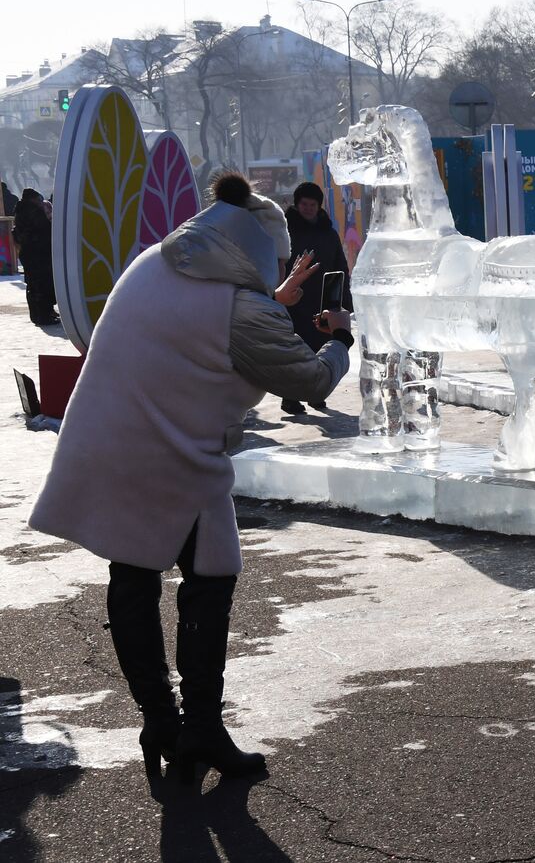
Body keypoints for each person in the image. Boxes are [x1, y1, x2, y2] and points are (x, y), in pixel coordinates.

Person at [29, 171, 355, 784]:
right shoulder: (242, 308)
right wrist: (340, 340)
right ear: (259, 250)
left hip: (108, 440)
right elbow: (307, 380)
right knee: (209, 576)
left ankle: (161, 720)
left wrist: (272, 301)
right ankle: (201, 726)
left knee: (132, 575)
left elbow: (195, 328)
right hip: (174, 453)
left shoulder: (153, 261)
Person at [281, 181, 354, 416]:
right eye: (304, 204)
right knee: (295, 350)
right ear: (297, 204)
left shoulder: (328, 233)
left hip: (322, 301)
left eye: (313, 205)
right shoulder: (286, 232)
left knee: (321, 348)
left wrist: (344, 299)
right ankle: (290, 397)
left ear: (319, 206)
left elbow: (340, 267)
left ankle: (316, 394)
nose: (308, 209)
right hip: (293, 300)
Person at [12, 187, 58, 325]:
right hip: (38, 253)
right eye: (38, 199)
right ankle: (43, 315)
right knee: (42, 285)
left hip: (28, 253)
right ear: (33, 199)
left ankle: (41, 313)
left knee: (33, 285)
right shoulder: (34, 212)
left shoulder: (20, 211)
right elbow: (44, 229)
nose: (40, 201)